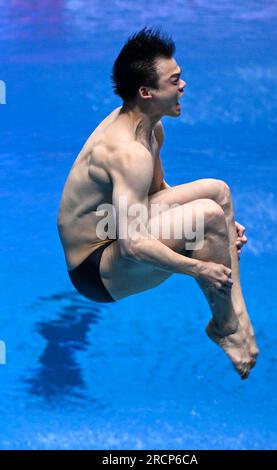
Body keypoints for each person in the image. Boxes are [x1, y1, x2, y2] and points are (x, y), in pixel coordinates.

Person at [57, 27, 258, 379]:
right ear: (146, 92)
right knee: (208, 217)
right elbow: (133, 244)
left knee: (218, 193)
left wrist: (223, 228)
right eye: (175, 80)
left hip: (115, 226)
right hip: (95, 268)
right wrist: (198, 266)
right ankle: (227, 328)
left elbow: (154, 193)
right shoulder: (127, 152)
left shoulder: (150, 127)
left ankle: (237, 316)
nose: (184, 86)